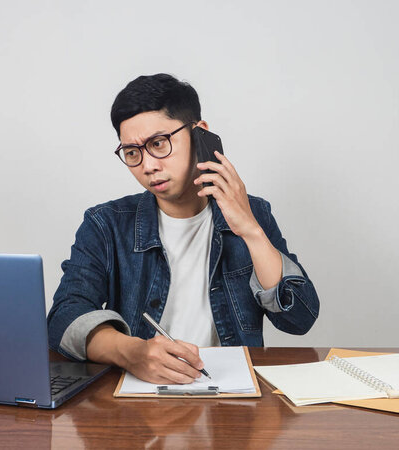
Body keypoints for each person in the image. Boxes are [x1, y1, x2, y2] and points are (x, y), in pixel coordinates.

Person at [47, 73, 319, 385]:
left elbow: (299, 319)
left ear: (199, 134)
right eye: (133, 152)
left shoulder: (253, 212)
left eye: (159, 144)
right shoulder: (106, 224)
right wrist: (132, 352)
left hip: (232, 403)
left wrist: (251, 231)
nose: (148, 166)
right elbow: (63, 318)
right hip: (139, 404)